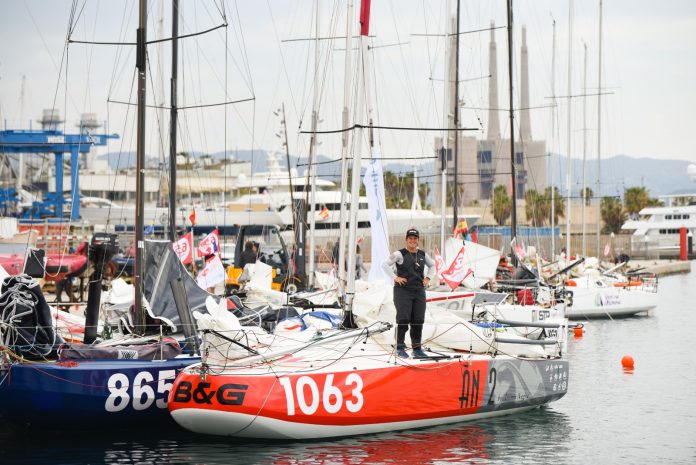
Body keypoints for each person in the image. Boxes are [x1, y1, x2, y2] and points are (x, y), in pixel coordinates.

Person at [381, 228, 435, 359]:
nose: (412, 240)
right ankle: (399, 347)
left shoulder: (422, 254)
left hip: (419, 291)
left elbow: (432, 265)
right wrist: (395, 277)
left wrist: (428, 278)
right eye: (410, 238)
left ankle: (417, 349)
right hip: (403, 291)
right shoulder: (399, 254)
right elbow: (385, 265)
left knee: (418, 319)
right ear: (406, 240)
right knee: (403, 318)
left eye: (415, 238)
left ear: (418, 240)